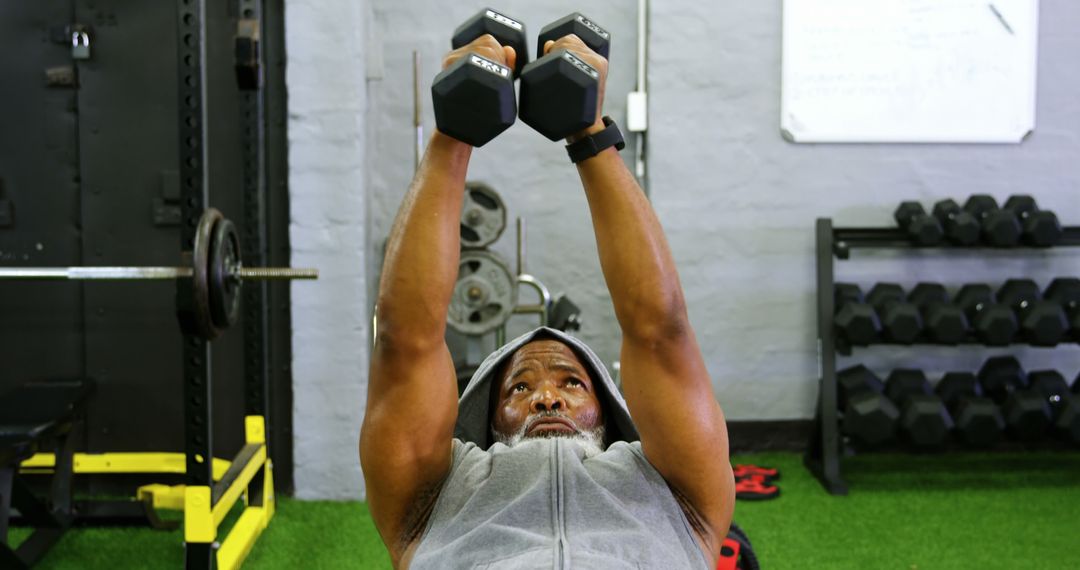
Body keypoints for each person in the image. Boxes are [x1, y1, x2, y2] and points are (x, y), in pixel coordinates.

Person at [360, 33, 734, 569]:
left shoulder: (672, 489)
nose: (546, 399)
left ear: (609, 409)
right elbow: (404, 340)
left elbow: (661, 330)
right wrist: (453, 132)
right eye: (519, 387)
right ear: (486, 424)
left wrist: (589, 132)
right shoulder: (437, 496)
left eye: (571, 382)